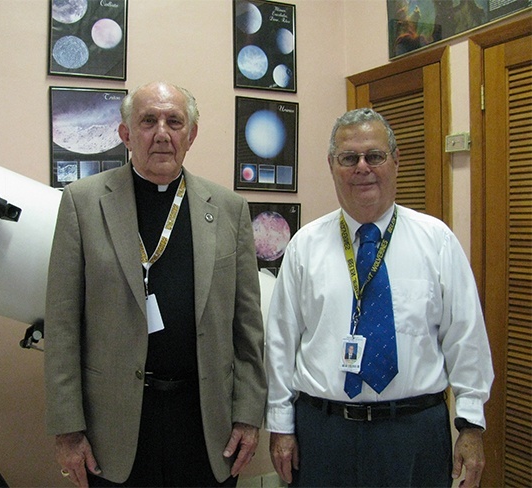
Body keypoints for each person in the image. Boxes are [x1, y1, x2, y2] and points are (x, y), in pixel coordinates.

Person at [44, 81, 267, 488]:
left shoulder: (230, 209)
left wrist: (249, 415)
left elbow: (247, 328)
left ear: (191, 135)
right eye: (148, 121)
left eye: (174, 121)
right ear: (126, 134)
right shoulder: (83, 202)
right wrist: (67, 430)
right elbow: (61, 327)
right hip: (113, 426)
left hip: (205, 422)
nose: (162, 133)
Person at [265, 108, 494, 487]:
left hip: (414, 432)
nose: (362, 168)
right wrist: (280, 425)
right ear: (331, 165)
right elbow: (280, 344)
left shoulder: (436, 241)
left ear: (396, 160)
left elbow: (466, 338)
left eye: (374, 156)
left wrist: (471, 426)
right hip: (323, 434)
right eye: (348, 158)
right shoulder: (304, 245)